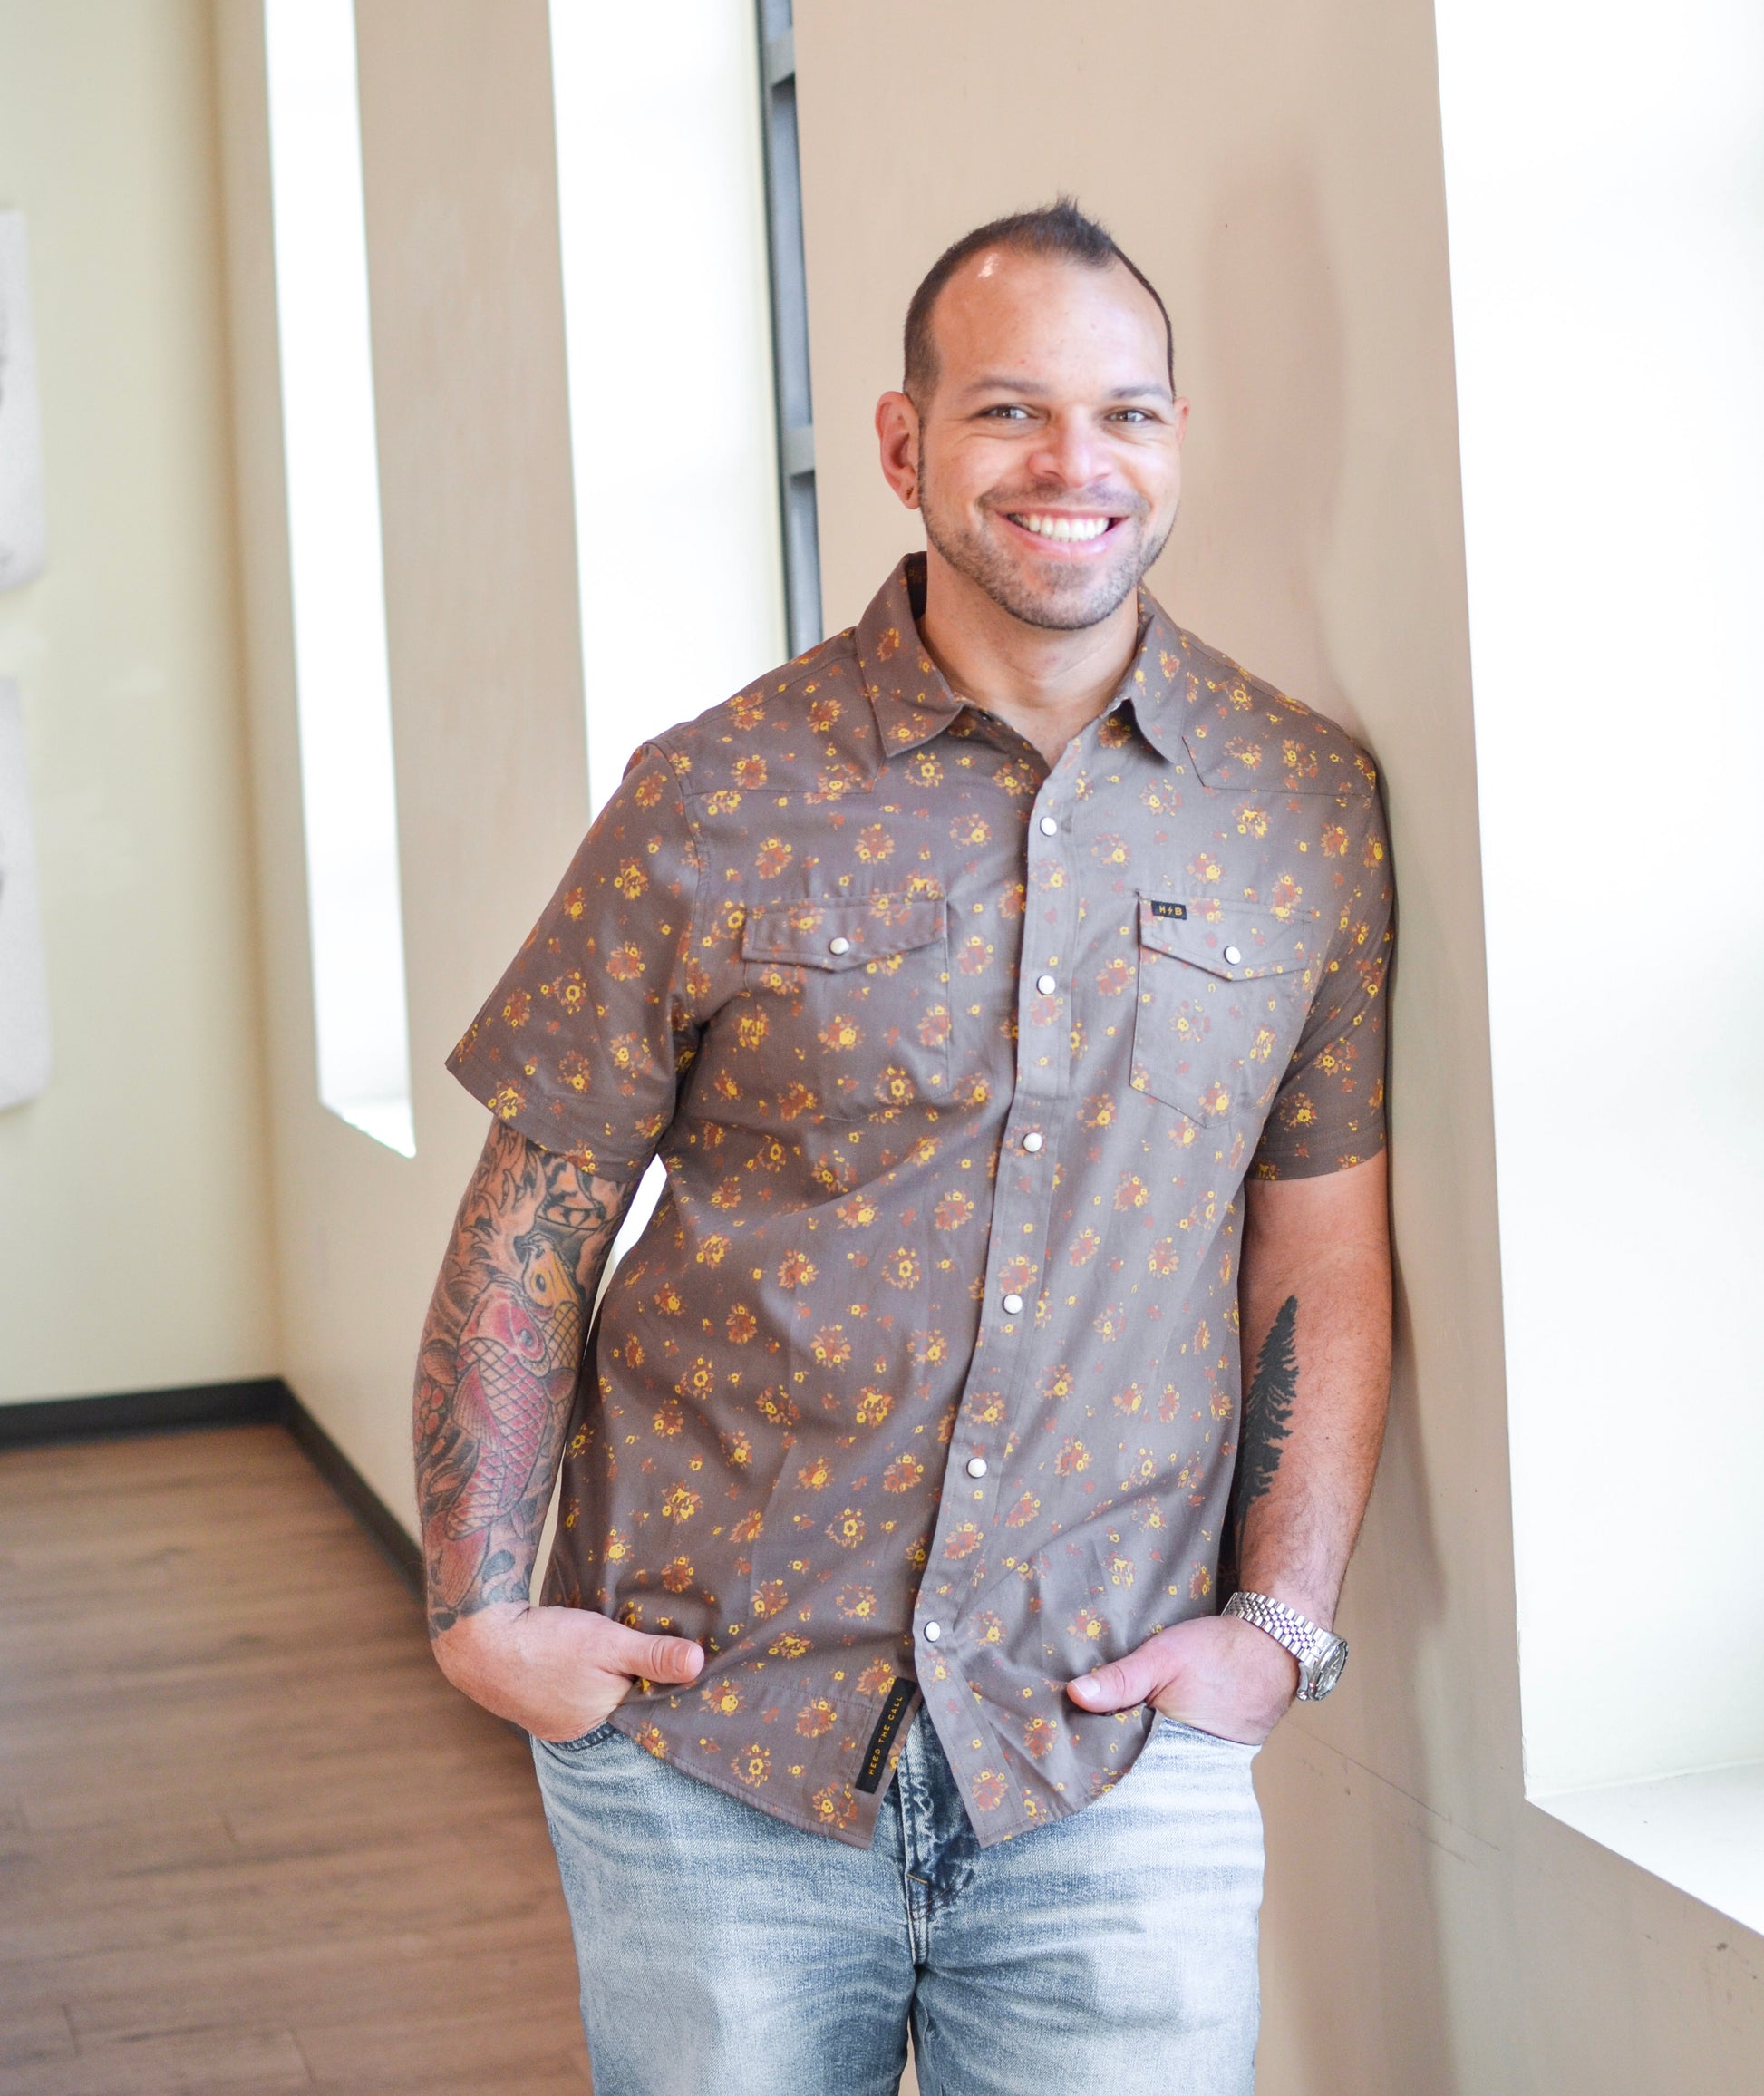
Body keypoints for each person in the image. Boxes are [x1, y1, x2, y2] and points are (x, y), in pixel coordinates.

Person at [413, 200, 1393, 2096]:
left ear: (1178, 440)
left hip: (1111, 1753)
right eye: (1010, 410)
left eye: (1126, 413)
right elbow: (536, 1211)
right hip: (716, 1744)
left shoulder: (1303, 806)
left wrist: (1277, 1628)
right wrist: (476, 1601)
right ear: (901, 443)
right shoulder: (712, 791)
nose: (1072, 464)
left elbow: (1321, 1247)